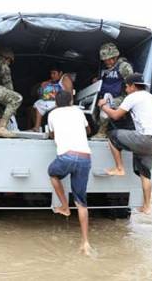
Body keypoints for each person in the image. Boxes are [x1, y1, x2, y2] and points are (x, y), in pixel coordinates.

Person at [97, 73, 152, 214]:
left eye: (127, 86)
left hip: (144, 139)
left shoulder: (133, 96)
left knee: (113, 135)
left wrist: (103, 106)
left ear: (133, 86)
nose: (126, 89)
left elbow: (115, 115)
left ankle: (119, 168)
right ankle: (147, 207)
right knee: (145, 174)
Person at [47, 90, 92, 254]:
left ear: (56, 102)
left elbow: (51, 134)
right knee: (81, 202)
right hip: (85, 158)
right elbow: (88, 131)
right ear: (71, 100)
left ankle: (65, 206)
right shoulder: (79, 112)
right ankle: (85, 242)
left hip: (66, 157)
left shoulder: (52, 114)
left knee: (52, 172)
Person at [93, 42, 134, 138]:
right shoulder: (105, 69)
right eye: (105, 60)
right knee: (94, 110)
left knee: (105, 105)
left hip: (121, 97)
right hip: (106, 97)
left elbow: (131, 84)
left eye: (109, 60)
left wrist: (129, 102)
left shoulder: (123, 66)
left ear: (115, 57)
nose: (107, 62)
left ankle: (102, 133)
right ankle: (100, 130)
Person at [30, 65, 73, 132]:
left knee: (40, 104)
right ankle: (37, 127)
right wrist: (47, 83)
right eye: (51, 73)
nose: (52, 75)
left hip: (64, 103)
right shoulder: (59, 80)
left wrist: (63, 103)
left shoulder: (65, 79)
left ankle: (40, 128)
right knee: (39, 103)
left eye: (54, 73)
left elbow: (69, 95)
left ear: (60, 73)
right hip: (58, 101)